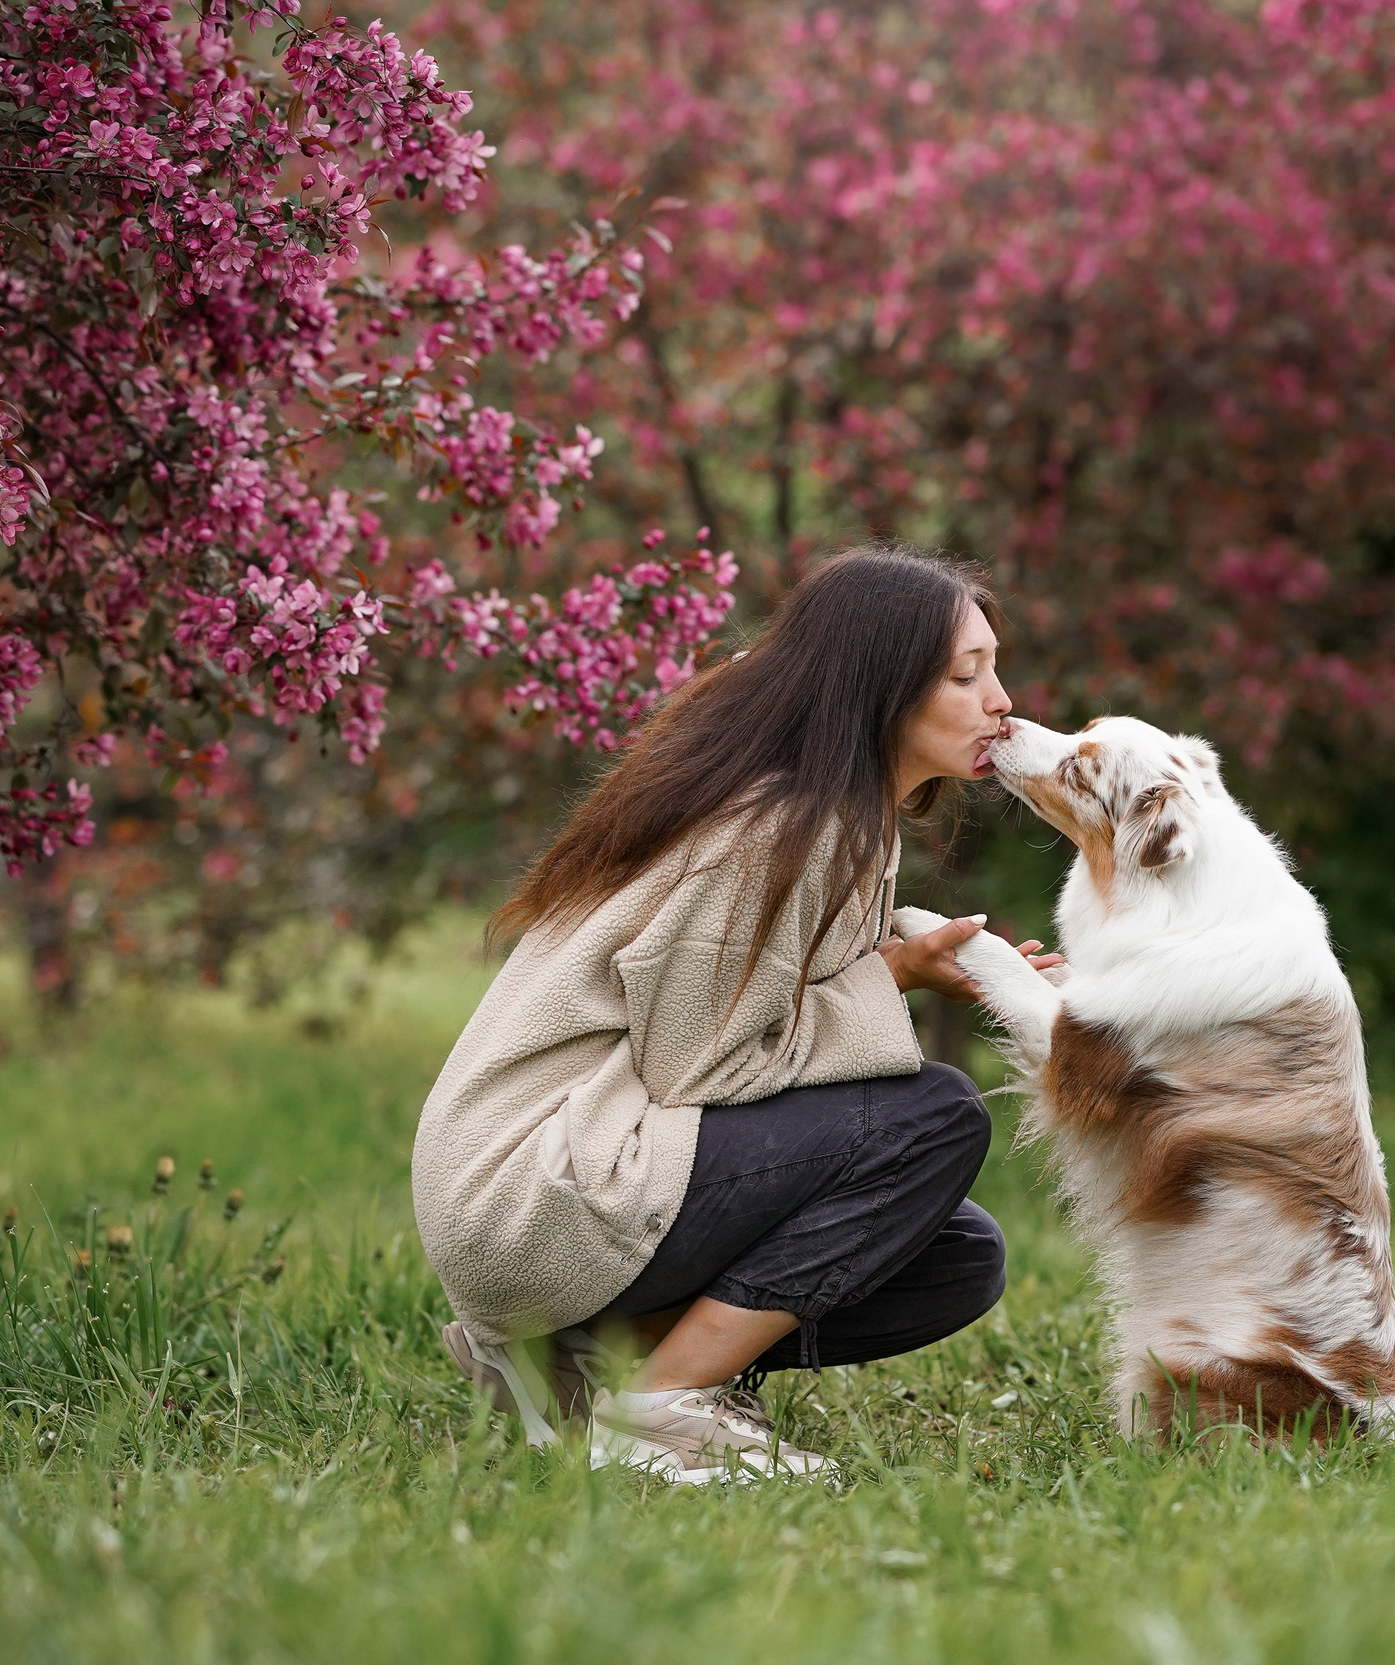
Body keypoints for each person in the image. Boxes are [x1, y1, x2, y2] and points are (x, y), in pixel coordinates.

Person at [412, 545, 1060, 1483]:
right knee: (936, 1120)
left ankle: (567, 1363)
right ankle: (658, 1411)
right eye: (968, 674)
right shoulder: (774, 829)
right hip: (532, 1198)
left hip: (587, 1176)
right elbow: (704, 1067)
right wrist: (889, 982)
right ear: (882, 689)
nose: (1001, 698)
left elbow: (744, 1013)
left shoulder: (830, 813)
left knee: (953, 1255)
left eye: (993, 668)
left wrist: (910, 963)